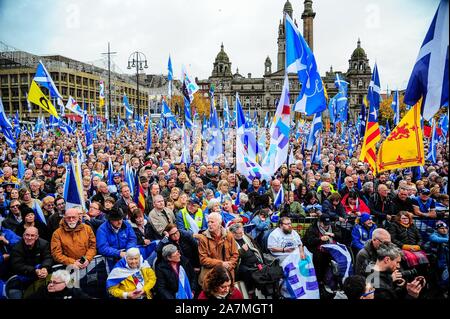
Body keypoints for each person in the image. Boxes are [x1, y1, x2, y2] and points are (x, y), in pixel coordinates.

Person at [9, 227, 53, 298]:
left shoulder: (44, 244)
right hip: (24, 278)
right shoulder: (16, 248)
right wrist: (34, 270)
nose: (29, 238)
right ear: (23, 236)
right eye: (27, 235)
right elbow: (17, 265)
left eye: (32, 235)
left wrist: (45, 268)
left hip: (42, 274)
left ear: (37, 237)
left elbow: (48, 258)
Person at [197, 212, 239, 285]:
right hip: (212, 275)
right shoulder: (203, 238)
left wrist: (229, 265)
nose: (209, 224)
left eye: (212, 222)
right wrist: (221, 264)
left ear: (219, 223)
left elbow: (235, 254)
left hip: (228, 274)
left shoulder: (229, 235)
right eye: (208, 222)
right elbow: (203, 259)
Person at [229, 223, 264, 294]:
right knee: (248, 271)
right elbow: (233, 256)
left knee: (263, 269)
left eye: (243, 231)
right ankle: (249, 291)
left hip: (254, 260)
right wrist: (242, 250)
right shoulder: (230, 241)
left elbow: (254, 247)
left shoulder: (245, 237)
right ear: (233, 233)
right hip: (241, 263)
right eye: (240, 233)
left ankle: (260, 289)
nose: (242, 234)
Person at [26, 269, 91, 299]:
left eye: (55, 283)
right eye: (50, 281)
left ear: (65, 283)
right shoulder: (43, 291)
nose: (51, 285)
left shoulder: (74, 290)